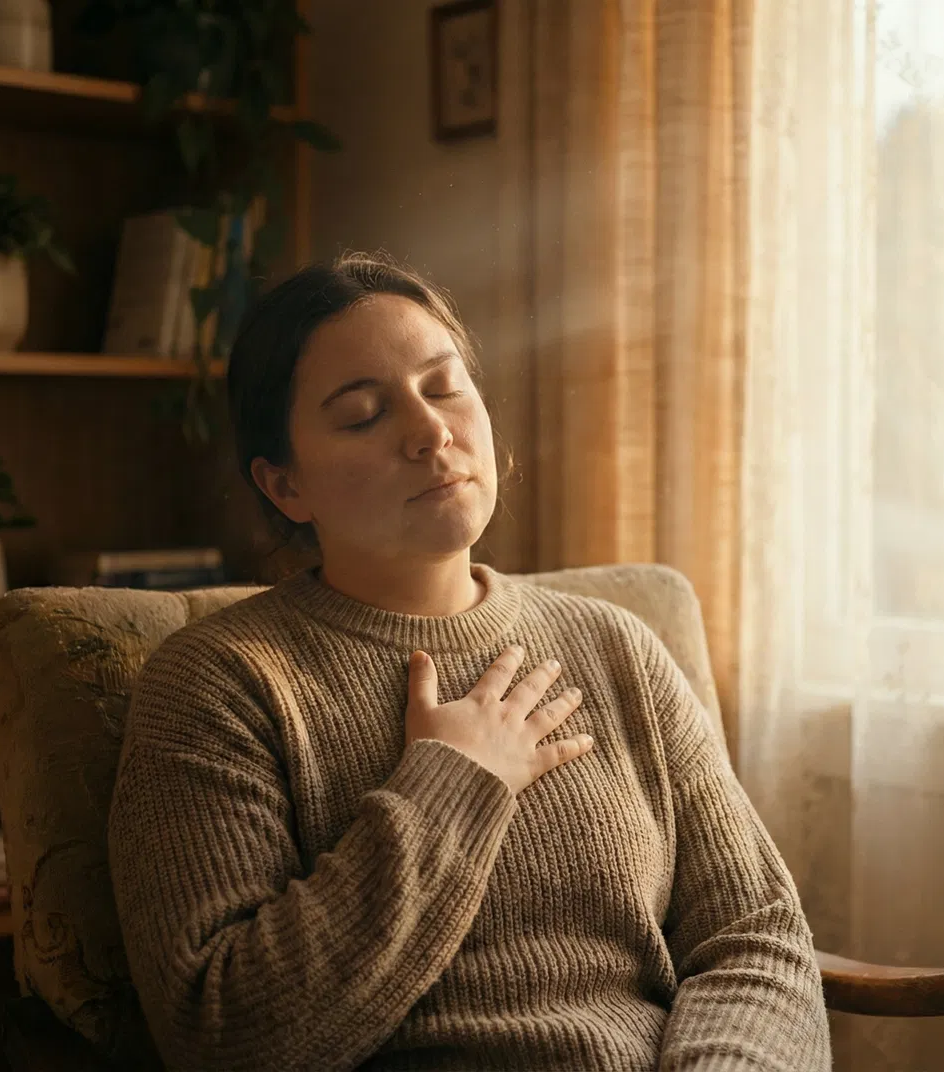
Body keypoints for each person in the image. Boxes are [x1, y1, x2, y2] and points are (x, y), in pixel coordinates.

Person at [106, 252, 831, 1071]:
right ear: (285, 486)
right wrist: (451, 783)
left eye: (444, 386)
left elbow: (754, 935)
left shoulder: (616, 645)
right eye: (363, 415)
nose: (431, 431)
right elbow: (223, 1033)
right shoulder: (218, 683)